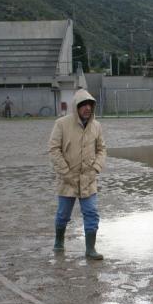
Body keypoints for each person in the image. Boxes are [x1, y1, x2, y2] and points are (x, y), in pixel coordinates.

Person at [48, 89, 106, 260]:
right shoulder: (61, 124)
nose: (87, 108)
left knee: (92, 213)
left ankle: (90, 249)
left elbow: (102, 149)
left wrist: (96, 168)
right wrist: (65, 172)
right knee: (63, 215)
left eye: (90, 105)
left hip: (89, 179)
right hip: (67, 179)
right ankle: (59, 242)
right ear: (76, 107)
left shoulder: (96, 126)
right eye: (83, 105)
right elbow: (53, 149)